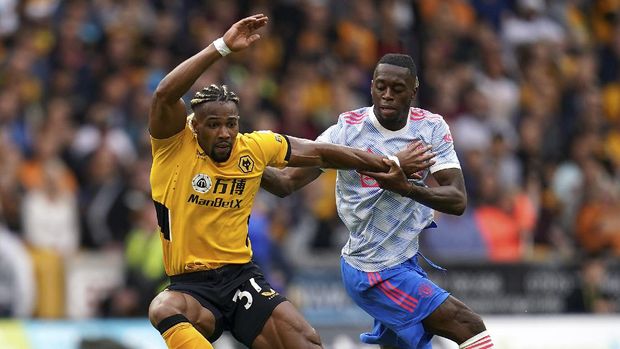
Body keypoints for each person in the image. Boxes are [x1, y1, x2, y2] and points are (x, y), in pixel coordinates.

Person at [147, 14, 424, 349]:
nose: (225, 133)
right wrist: (221, 47)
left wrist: (388, 162)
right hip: (191, 285)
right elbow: (164, 94)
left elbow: (321, 154)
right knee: (163, 306)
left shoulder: (253, 148)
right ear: (194, 126)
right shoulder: (174, 147)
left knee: (307, 340)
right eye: (214, 124)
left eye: (231, 123)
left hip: (240, 278)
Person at [260, 53, 494, 348]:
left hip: (406, 261)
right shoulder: (346, 131)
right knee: (468, 324)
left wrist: (406, 187)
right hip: (372, 268)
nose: (387, 96)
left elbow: (457, 200)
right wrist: (244, 160)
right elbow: (285, 183)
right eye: (381, 87)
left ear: (413, 90)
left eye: (397, 89)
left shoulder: (430, 128)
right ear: (371, 86)